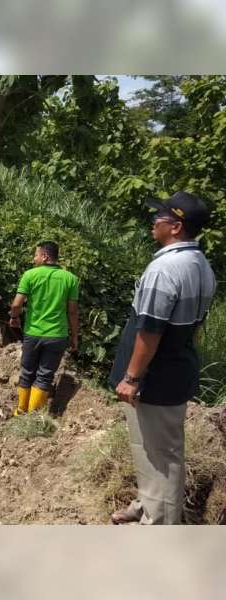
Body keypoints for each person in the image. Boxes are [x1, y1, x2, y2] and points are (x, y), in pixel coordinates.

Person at [108, 192, 216, 525]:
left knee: (162, 457)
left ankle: (161, 526)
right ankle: (147, 503)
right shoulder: (200, 264)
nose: (154, 221)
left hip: (154, 380)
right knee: (150, 450)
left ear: (176, 226)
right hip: (173, 370)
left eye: (160, 217)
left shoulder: (166, 269)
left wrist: (132, 377)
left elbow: (150, 331)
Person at [8, 241, 80, 415]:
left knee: (27, 373)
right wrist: (74, 336)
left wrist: (14, 317)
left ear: (45, 256)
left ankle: (20, 411)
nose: (34, 259)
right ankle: (34, 417)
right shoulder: (70, 279)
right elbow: (72, 311)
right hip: (57, 336)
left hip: (32, 333)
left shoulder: (30, 275)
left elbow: (17, 304)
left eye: (36, 255)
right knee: (45, 376)